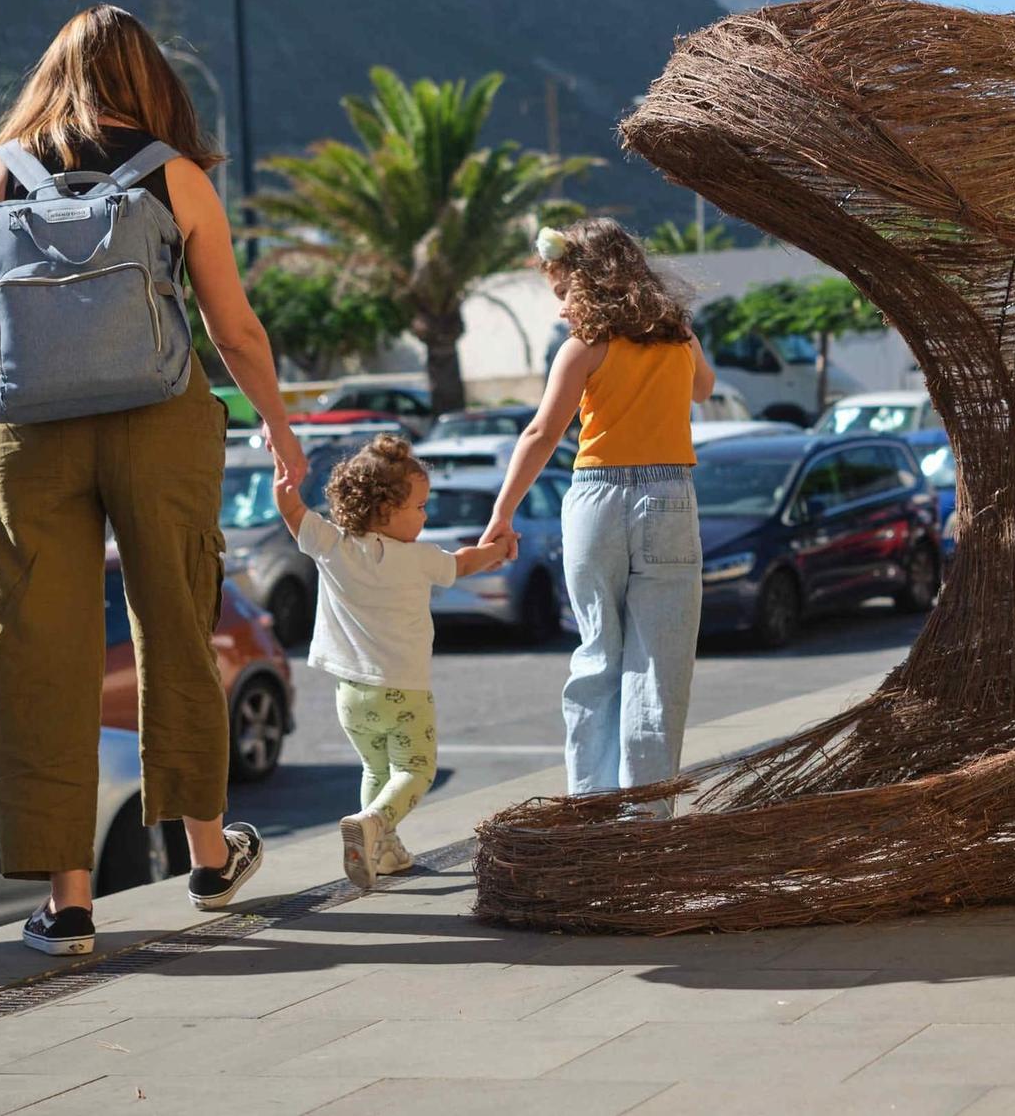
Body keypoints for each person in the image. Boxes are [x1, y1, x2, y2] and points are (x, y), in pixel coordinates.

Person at [0, 4, 307, 955]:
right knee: (176, 621)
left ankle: (71, 902)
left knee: (35, 651)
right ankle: (209, 856)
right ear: (149, 78)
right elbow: (234, 329)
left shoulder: (0, 171)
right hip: (160, 421)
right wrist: (286, 438)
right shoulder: (171, 174)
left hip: (25, 431)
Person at [480, 219, 714, 814]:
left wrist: (502, 514)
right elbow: (705, 390)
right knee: (658, 668)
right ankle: (647, 815)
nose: (560, 306)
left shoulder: (583, 348)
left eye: (562, 292)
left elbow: (540, 432)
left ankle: (591, 807)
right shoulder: (678, 337)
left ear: (584, 284)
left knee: (596, 654)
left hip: (594, 498)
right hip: (668, 493)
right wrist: (679, 333)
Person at [273, 435, 509, 886]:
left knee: (376, 769)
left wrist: (284, 474)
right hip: (404, 690)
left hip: (350, 695)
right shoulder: (418, 558)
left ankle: (383, 853)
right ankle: (373, 824)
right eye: (419, 507)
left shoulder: (332, 546)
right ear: (385, 509)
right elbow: (464, 564)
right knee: (416, 770)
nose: (425, 515)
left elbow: (291, 511)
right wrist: (498, 550)